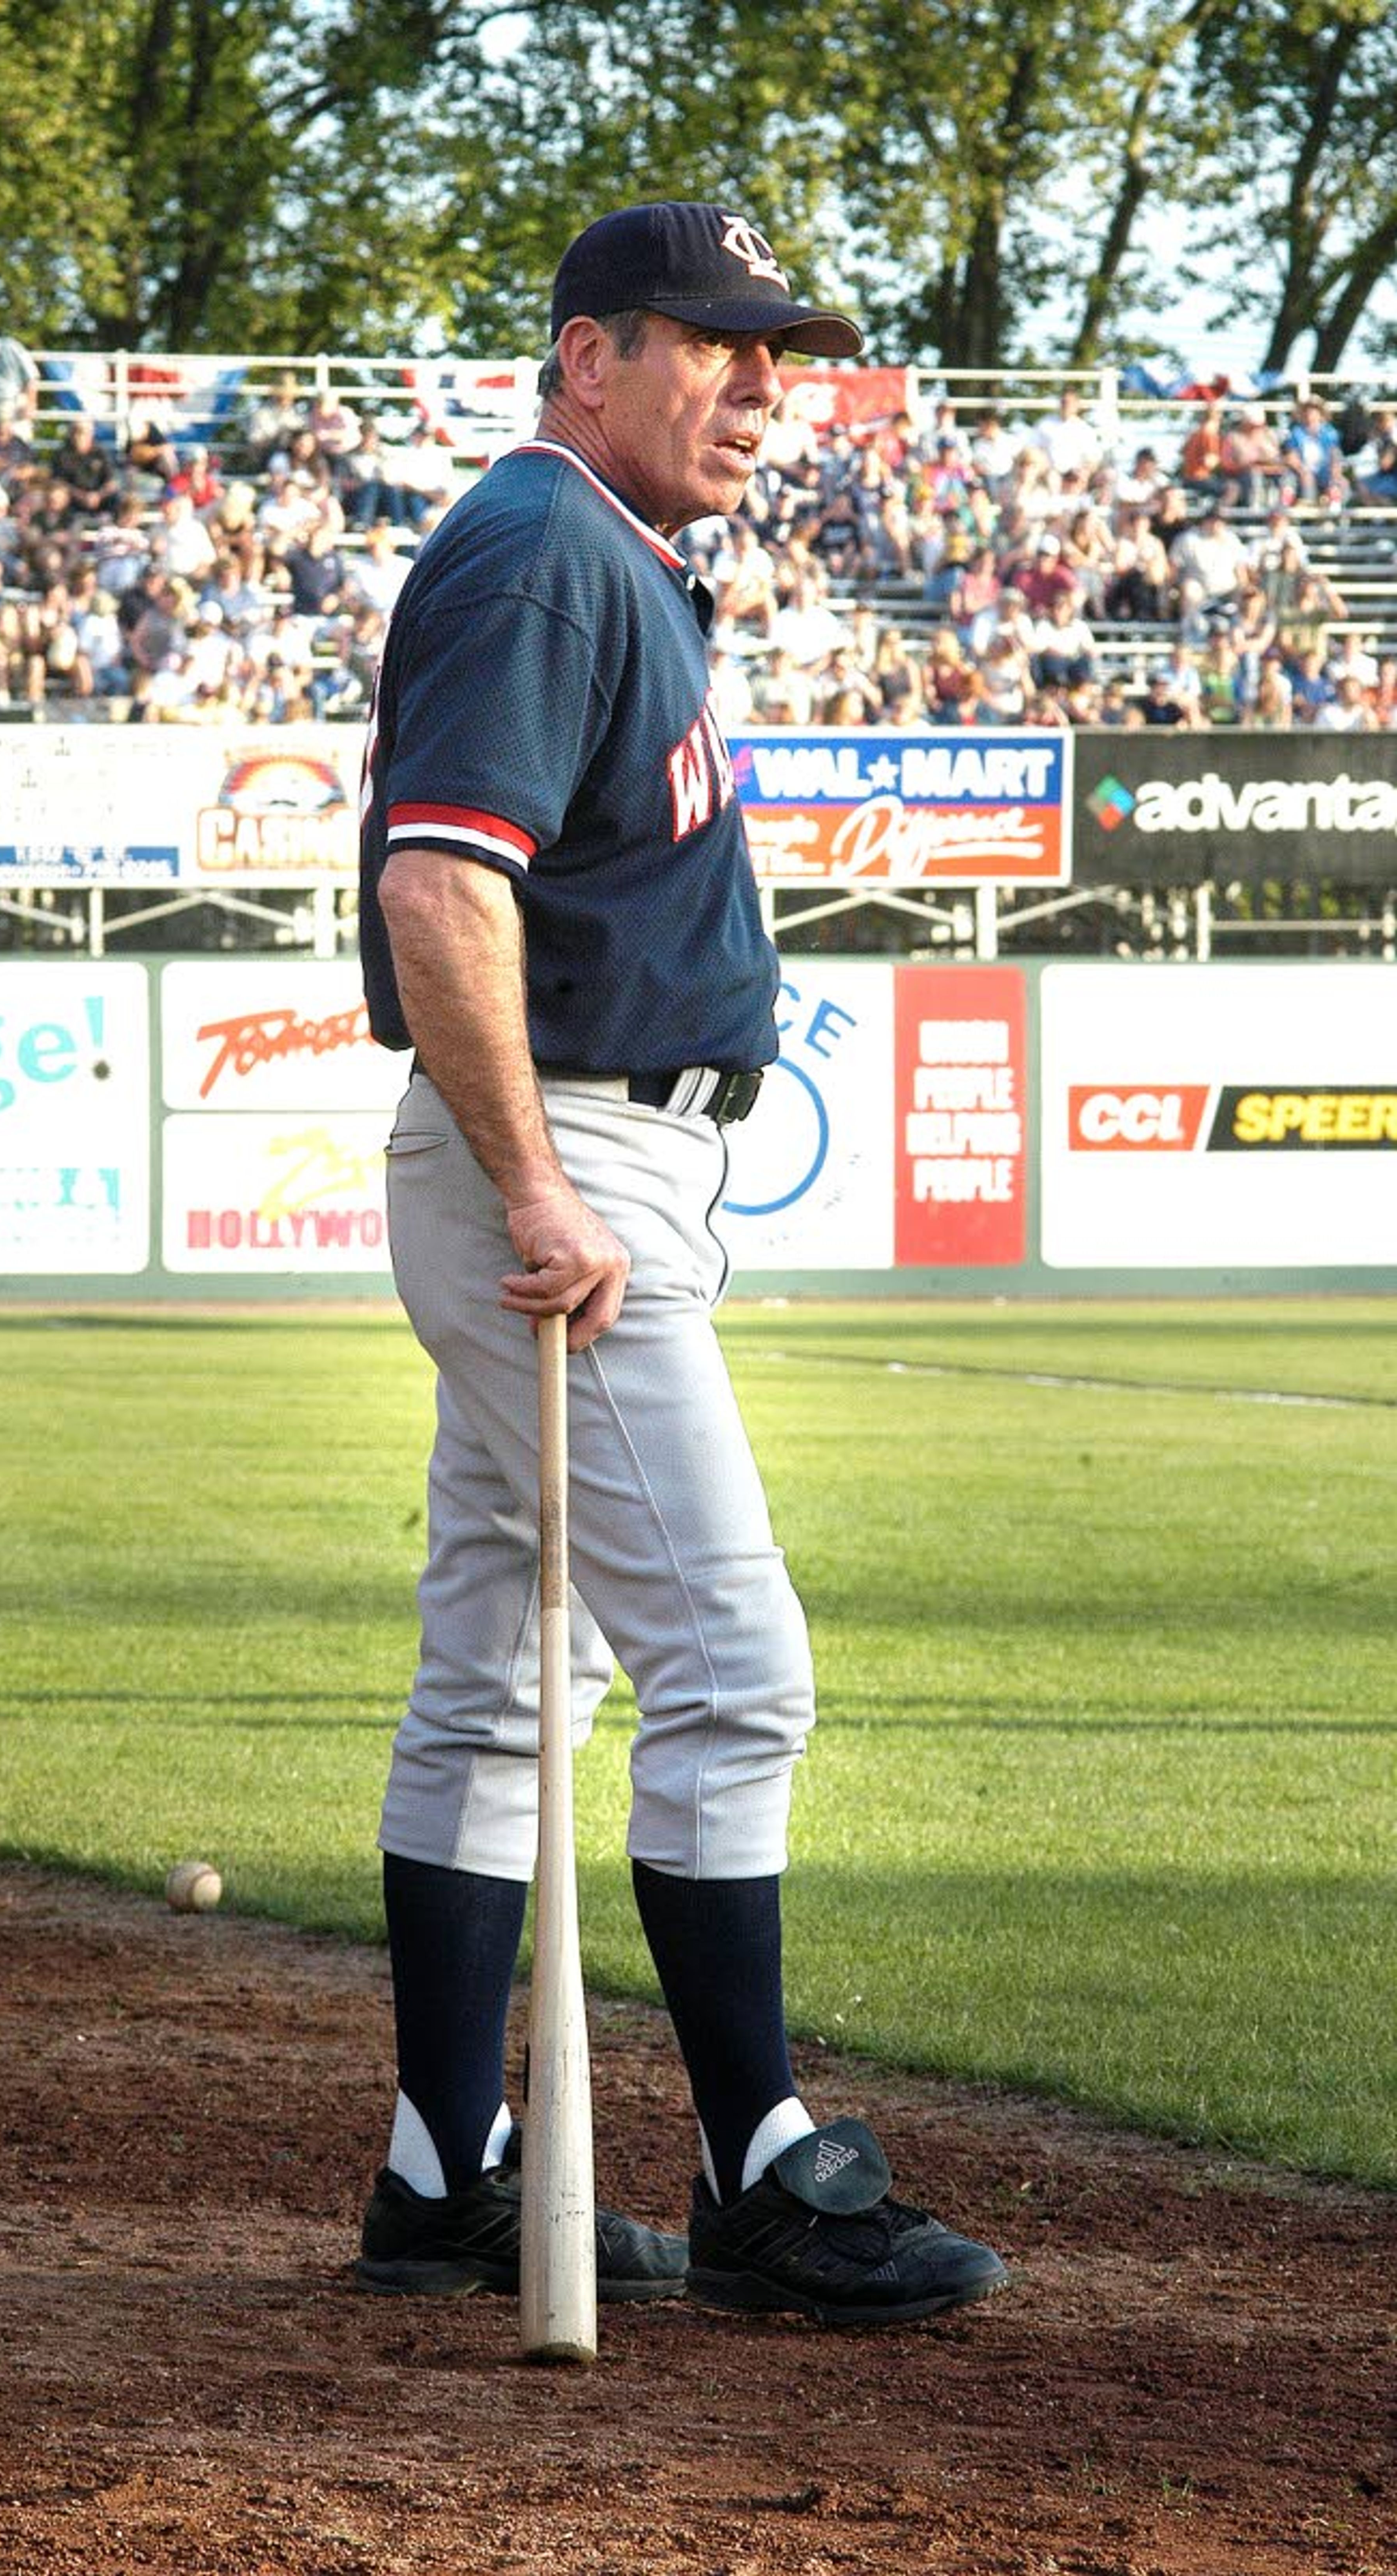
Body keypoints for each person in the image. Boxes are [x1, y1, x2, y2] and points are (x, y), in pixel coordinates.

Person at [354, 201, 1010, 2328]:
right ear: (585, 358)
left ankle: (447, 2176)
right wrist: (540, 1191)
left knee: (501, 1681)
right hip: (569, 1164)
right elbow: (442, 896)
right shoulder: (547, 546)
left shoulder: (605, 553)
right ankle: (765, 2179)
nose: (757, 384)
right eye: (710, 344)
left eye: (772, 353)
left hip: (582, 1157)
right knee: (735, 1670)